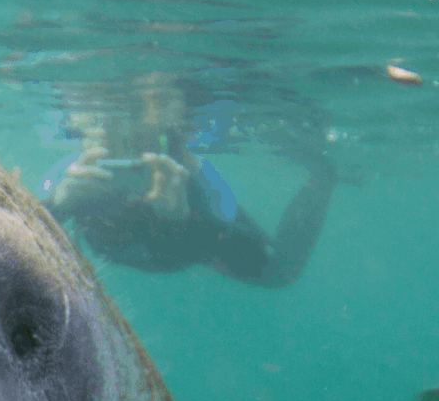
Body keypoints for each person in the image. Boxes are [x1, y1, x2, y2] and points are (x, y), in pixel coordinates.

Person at [40, 77, 336, 288]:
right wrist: (56, 206)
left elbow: (272, 269)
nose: (130, 162)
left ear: (175, 130)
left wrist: (183, 221)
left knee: (282, 272)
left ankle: (324, 176)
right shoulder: (73, 175)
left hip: (181, 239)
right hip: (144, 248)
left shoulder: (194, 182)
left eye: (141, 143)